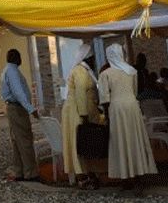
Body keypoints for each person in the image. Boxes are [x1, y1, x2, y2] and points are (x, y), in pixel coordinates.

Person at [98, 44, 157, 183]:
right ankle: (139, 170)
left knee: (120, 140)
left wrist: (107, 117)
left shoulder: (105, 74)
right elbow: (134, 91)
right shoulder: (131, 71)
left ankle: (125, 174)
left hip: (117, 108)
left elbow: (104, 99)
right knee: (134, 137)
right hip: (132, 106)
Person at [61, 43, 104, 188]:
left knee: (84, 143)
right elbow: (80, 94)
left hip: (81, 110)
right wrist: (84, 115)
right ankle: (82, 177)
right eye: (92, 58)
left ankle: (89, 172)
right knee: (78, 143)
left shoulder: (85, 70)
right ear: (88, 58)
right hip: (76, 112)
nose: (94, 61)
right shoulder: (80, 71)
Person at [1, 48, 39, 181]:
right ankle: (31, 173)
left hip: (13, 108)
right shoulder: (12, 71)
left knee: (17, 141)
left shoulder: (8, 70)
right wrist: (31, 109)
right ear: (16, 58)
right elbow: (18, 92)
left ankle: (19, 171)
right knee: (25, 140)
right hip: (17, 109)